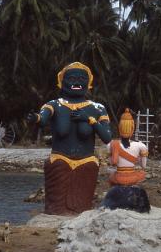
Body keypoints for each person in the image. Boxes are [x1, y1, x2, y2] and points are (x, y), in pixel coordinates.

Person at [27, 62, 112, 215]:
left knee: (82, 206)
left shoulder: (97, 108)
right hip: (60, 159)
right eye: (71, 78)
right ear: (61, 82)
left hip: (86, 161)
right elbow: (42, 119)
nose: (77, 82)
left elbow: (107, 137)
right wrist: (35, 118)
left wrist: (90, 120)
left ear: (89, 83)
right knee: (57, 205)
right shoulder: (54, 105)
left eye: (81, 78)